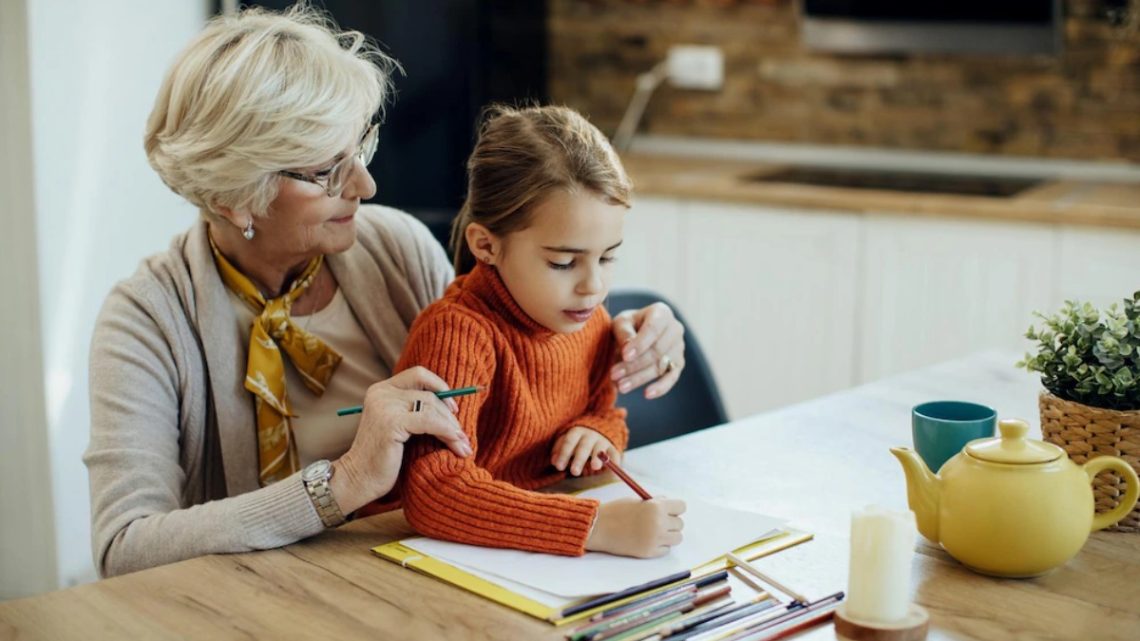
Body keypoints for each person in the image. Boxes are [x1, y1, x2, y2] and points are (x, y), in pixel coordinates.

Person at [83, 4, 686, 578]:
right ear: (231, 194)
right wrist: (342, 484)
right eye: (326, 170)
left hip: (405, 573)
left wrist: (624, 340)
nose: (366, 185)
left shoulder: (393, 247)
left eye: (361, 149)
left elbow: (508, 376)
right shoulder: (145, 321)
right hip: (250, 600)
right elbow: (124, 548)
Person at [397, 105, 687, 559]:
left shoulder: (583, 317)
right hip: (434, 559)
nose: (594, 286)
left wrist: (598, 433)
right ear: (486, 245)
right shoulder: (456, 332)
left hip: (531, 547)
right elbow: (434, 491)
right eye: (563, 262)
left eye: (607, 257)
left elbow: (605, 411)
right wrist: (594, 526)